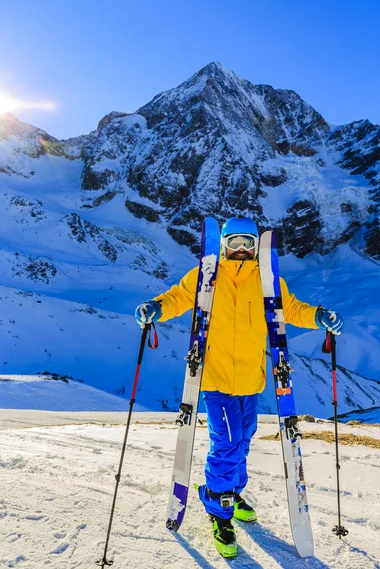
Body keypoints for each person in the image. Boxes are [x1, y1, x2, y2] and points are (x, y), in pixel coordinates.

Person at [135, 217, 343, 558]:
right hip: (216, 380)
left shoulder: (266, 280)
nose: (243, 250)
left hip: (251, 380)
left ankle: (229, 488)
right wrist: (157, 308)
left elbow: (288, 309)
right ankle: (219, 508)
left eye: (248, 243)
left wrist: (318, 316)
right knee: (228, 442)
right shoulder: (206, 277)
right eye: (235, 244)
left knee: (243, 439)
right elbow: (179, 298)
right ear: (223, 246)